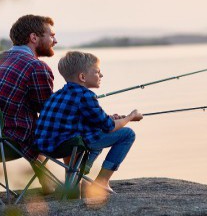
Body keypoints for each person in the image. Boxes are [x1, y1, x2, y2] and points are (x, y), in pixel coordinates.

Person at [0, 14, 58, 193]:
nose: (55, 40)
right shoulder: (36, 66)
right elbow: (48, 112)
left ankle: (47, 183)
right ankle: (74, 184)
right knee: (57, 123)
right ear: (34, 37)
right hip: (2, 143)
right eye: (51, 35)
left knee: (24, 122)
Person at [34, 51, 143, 197]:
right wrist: (130, 117)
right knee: (127, 134)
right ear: (82, 77)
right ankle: (102, 181)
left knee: (95, 132)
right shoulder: (86, 95)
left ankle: (78, 178)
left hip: (45, 147)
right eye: (97, 72)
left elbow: (87, 118)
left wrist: (112, 118)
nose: (101, 76)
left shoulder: (57, 94)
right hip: (67, 146)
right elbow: (108, 127)